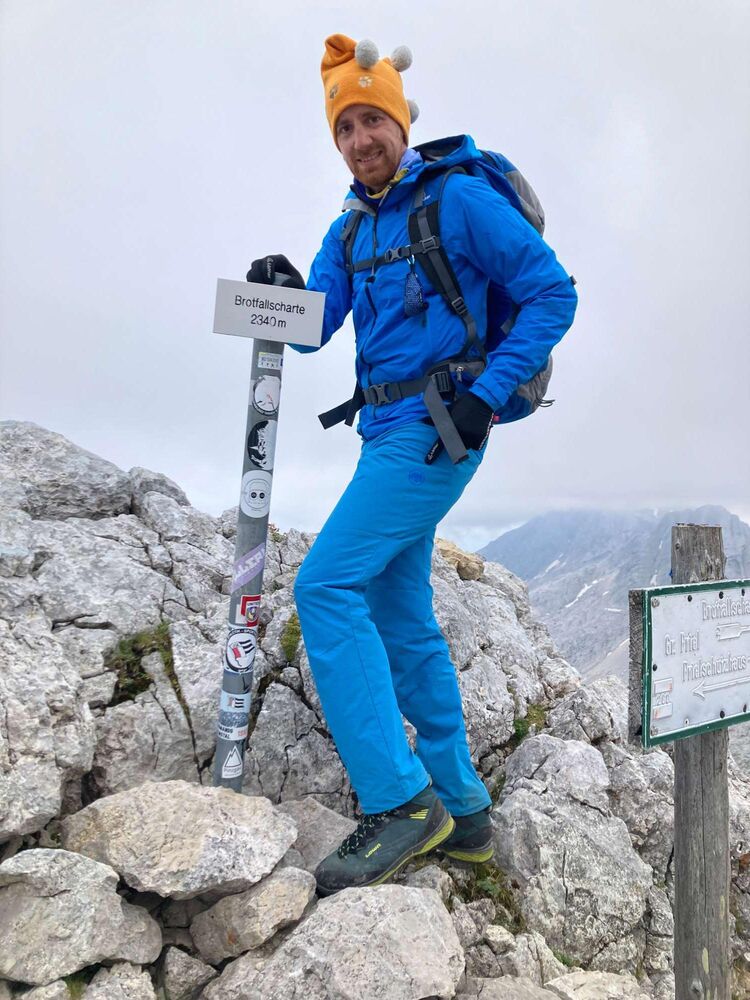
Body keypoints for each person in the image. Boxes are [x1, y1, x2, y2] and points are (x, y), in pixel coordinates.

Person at [247, 33, 577, 896]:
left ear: (400, 121)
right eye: (345, 127)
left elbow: (553, 291)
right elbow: (315, 326)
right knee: (398, 609)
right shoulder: (350, 227)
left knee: (324, 587)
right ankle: (463, 812)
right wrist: (277, 287)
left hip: (437, 430)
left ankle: (401, 802)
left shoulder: (457, 200)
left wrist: (486, 394)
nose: (360, 139)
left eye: (372, 120)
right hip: (384, 432)